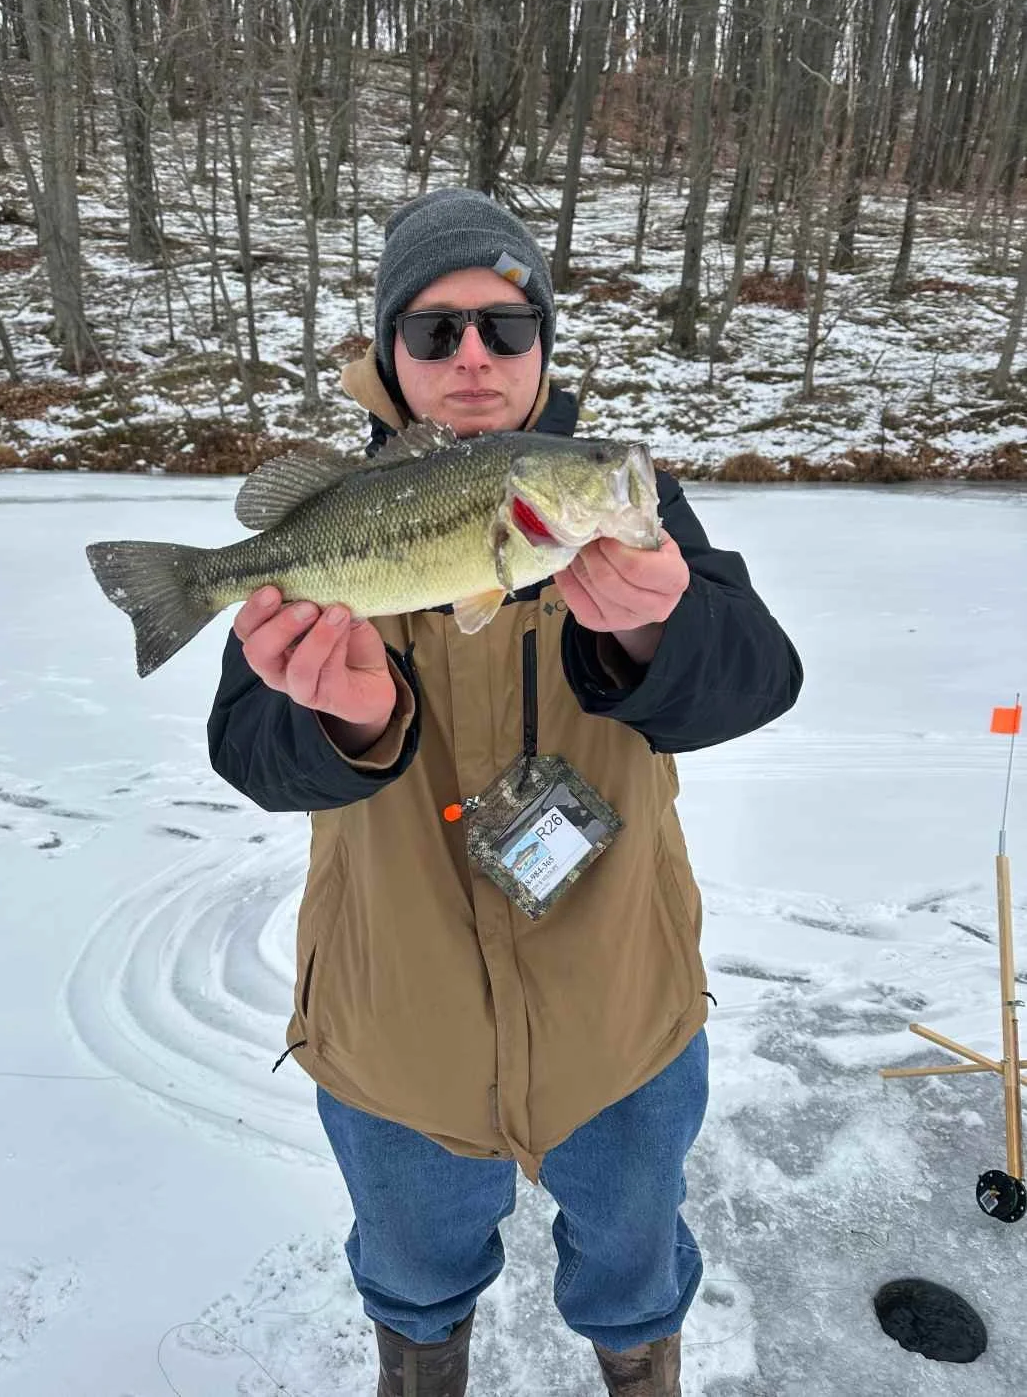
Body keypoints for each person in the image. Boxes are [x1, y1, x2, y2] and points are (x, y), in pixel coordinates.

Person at [208, 189, 803, 1397]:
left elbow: (758, 680)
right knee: (413, 1268)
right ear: (390, 353)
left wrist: (659, 636)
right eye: (433, 333)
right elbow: (250, 750)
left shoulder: (618, 505)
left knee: (634, 1259)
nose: (472, 356)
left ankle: (642, 1367)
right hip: (394, 1023)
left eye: (505, 326)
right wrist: (351, 721)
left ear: (542, 345)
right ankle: (419, 1370)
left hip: (619, 1013)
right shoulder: (347, 518)